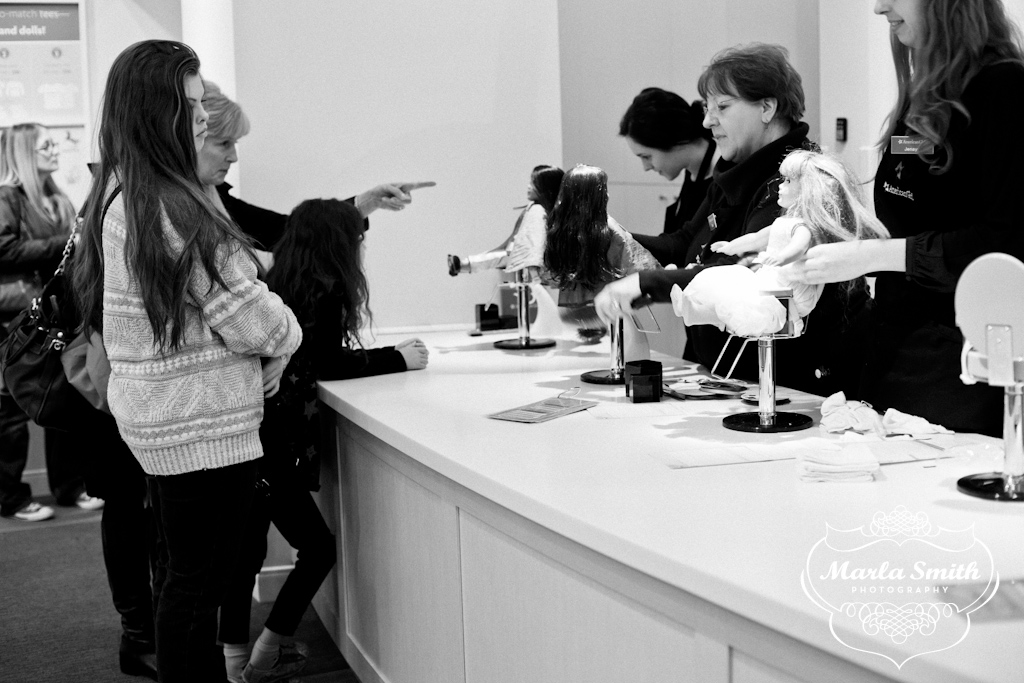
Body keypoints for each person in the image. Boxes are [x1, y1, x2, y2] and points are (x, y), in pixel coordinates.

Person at [72, 40, 302, 682]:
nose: (204, 116)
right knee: (197, 590)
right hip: (198, 426)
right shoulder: (172, 205)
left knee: (186, 582)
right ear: (157, 109)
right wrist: (287, 336)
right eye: (192, 103)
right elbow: (256, 319)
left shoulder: (126, 189)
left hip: (169, 421)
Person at [787, 0, 1024, 435]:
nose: (879, 8)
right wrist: (819, 235)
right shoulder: (926, 95)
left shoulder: (1004, 88)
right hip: (895, 351)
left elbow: (1002, 239)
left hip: (960, 366)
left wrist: (872, 255)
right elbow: (912, 213)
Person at [218, 198, 428, 683]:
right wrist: (397, 359)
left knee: (245, 554)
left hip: (249, 434)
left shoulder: (276, 284)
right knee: (318, 549)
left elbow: (313, 355)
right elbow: (329, 362)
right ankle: (266, 653)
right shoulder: (327, 289)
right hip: (275, 443)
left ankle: (234, 661)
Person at [595, 43, 867, 396]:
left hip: (797, 388)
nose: (707, 121)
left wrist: (646, 283)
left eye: (722, 107)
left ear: (767, 107)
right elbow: (684, 242)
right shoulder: (735, 170)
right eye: (707, 108)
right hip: (737, 380)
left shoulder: (800, 178)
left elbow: (742, 272)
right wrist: (609, 238)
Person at [0, 122, 102, 522]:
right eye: (45, 145)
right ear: (24, 152)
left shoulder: (56, 197)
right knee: (10, 412)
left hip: (53, 315)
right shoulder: (8, 197)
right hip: (15, 318)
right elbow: (4, 250)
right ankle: (10, 496)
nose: (54, 149)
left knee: (61, 399)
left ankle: (68, 486)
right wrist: (67, 243)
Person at [198, 79, 434, 252]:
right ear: (192, 138)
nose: (233, 157)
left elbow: (286, 231)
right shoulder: (185, 208)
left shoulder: (214, 197)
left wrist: (366, 202)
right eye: (224, 143)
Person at [678, 149, 889, 337]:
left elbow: (799, 247)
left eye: (788, 181)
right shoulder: (783, 222)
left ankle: (778, 320)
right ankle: (695, 310)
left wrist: (782, 257)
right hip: (772, 279)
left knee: (743, 293)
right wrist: (731, 246)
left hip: (788, 286)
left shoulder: (803, 227)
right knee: (730, 277)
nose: (779, 186)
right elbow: (756, 239)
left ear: (806, 190)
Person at [544, 164, 659, 356]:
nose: (608, 195)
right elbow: (638, 266)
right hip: (611, 303)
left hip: (579, 306)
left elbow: (551, 272)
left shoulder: (561, 231)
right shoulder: (610, 230)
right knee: (633, 347)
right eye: (604, 190)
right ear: (596, 195)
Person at [619, 87, 719, 235]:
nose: (646, 167)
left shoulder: (723, 179)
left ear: (672, 140)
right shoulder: (693, 172)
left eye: (646, 156)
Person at [447, 164, 564, 278]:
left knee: (496, 258)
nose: (529, 186)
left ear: (546, 188)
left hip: (530, 262)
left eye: (534, 183)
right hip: (522, 257)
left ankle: (462, 265)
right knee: (496, 257)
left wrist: (534, 269)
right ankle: (462, 265)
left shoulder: (537, 211)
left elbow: (536, 242)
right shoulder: (535, 209)